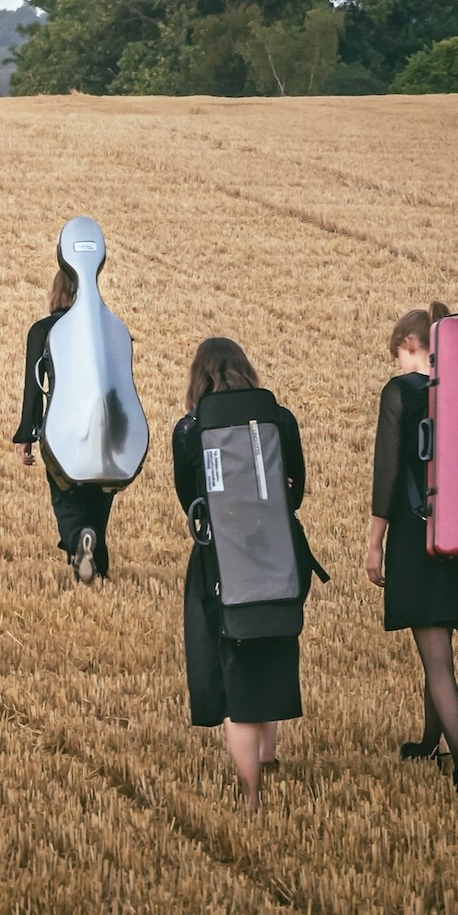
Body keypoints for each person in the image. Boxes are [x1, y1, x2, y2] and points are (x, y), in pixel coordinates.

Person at [370, 301, 458, 790]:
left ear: (410, 346)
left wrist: (375, 545)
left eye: (398, 354)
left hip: (418, 541)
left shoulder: (400, 395)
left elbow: (386, 475)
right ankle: (429, 741)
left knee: (437, 660)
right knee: (436, 646)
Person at [172, 337, 314, 811]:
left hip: (221, 566)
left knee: (234, 672)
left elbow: (188, 500)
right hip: (279, 557)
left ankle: (252, 797)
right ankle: (269, 752)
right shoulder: (281, 420)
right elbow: (296, 490)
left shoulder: (190, 430)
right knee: (271, 651)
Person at [14, 259, 119, 584]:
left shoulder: (44, 330)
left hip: (61, 430)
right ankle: (97, 565)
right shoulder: (107, 328)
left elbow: (34, 387)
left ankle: (77, 541)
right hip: (105, 428)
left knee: (66, 498)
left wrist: (26, 435)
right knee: (99, 493)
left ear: (56, 292)